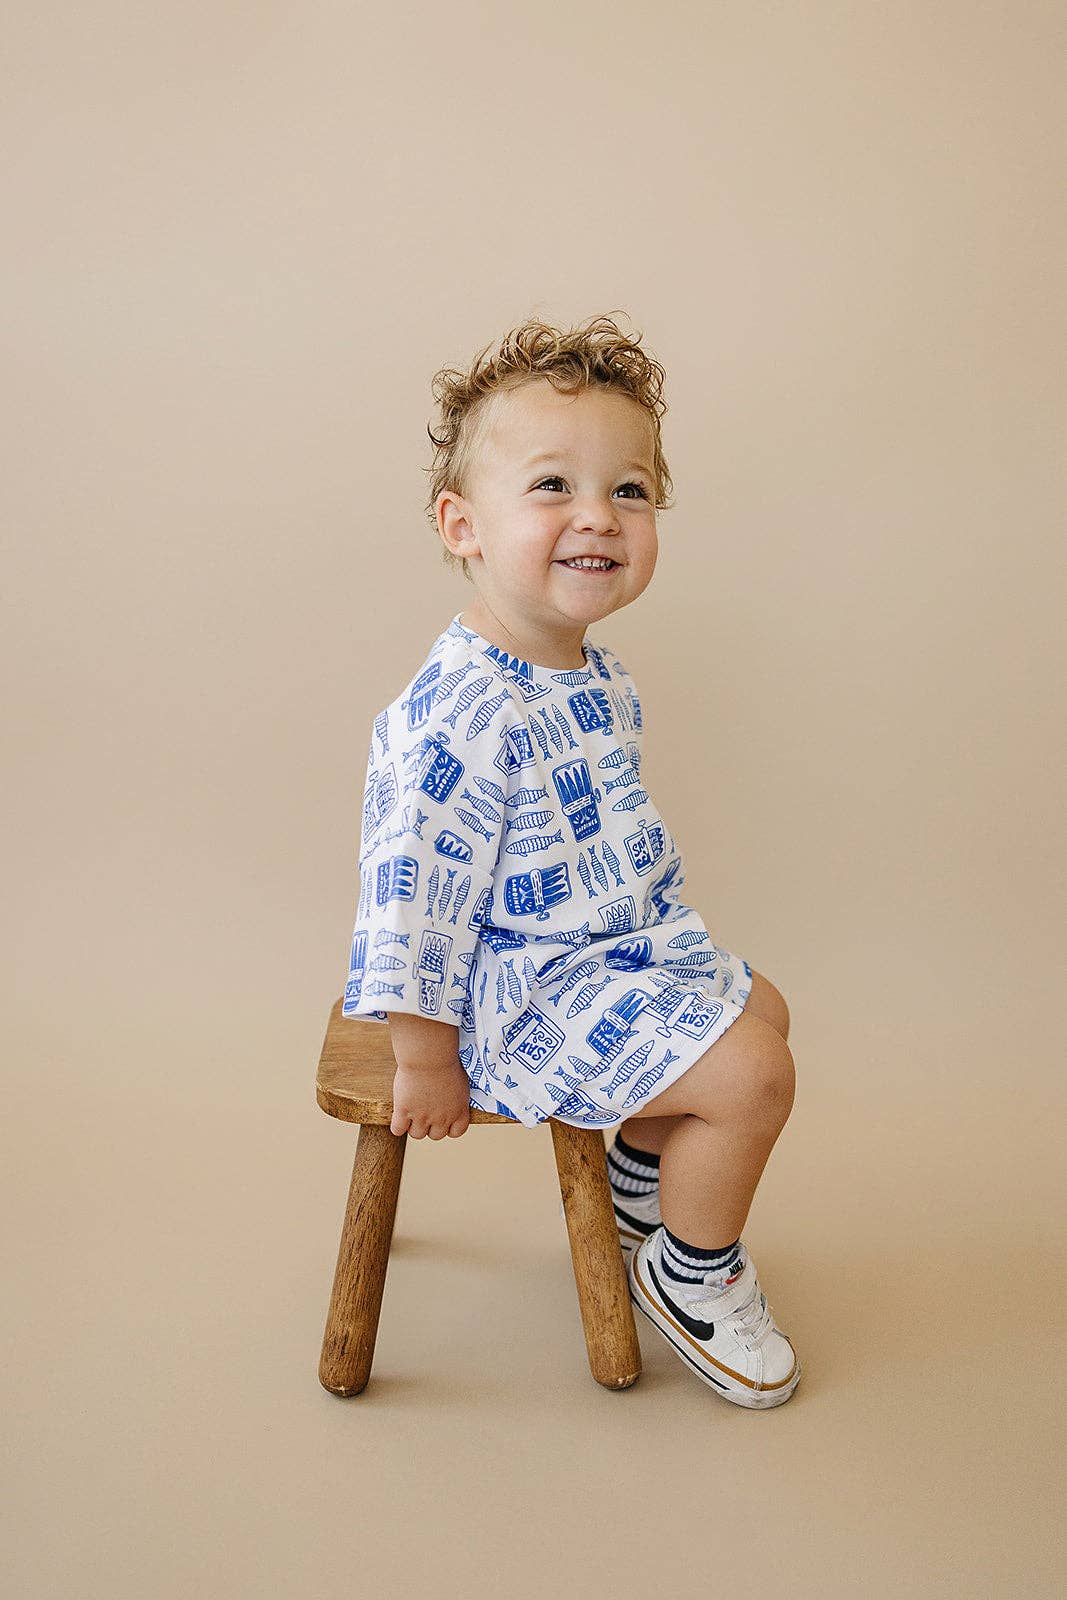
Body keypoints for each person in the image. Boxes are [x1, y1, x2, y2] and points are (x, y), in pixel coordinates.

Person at [341, 313, 801, 1407]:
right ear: (462, 524)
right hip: (516, 992)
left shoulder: (594, 675)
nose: (597, 514)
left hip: (614, 950)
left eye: (628, 490)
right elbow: (411, 906)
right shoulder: (459, 711)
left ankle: (638, 1181)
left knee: (765, 1010)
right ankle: (692, 1273)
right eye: (552, 485)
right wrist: (424, 1059)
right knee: (753, 1075)